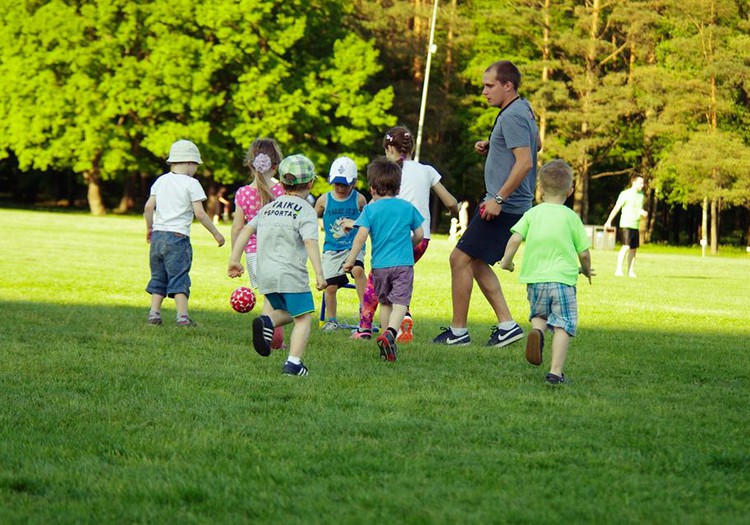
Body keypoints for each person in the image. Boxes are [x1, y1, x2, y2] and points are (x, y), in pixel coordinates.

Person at [433, 60, 540, 347]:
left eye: (489, 85)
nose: (484, 92)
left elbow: (526, 162)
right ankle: (507, 326)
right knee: (476, 261)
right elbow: (535, 145)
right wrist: (495, 145)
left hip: (505, 205)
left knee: (458, 258)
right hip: (510, 204)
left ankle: (458, 332)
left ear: (508, 85)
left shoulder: (512, 116)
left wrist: (498, 198)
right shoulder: (523, 109)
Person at [352, 126, 458, 343]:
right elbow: (451, 202)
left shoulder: (389, 175)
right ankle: (403, 315)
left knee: (376, 282)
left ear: (390, 148)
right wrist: (454, 213)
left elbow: (374, 206)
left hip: (393, 237)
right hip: (421, 239)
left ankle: (364, 329)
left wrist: (354, 224)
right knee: (400, 277)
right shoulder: (427, 170)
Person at [228, 154, 326, 376]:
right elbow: (310, 241)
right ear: (311, 183)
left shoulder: (269, 208)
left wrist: (234, 259)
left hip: (265, 275)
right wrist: (319, 273)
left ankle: (267, 320)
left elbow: (246, 229)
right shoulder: (306, 210)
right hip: (291, 274)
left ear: (281, 183)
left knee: (289, 312)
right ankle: (293, 364)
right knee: (303, 318)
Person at [499, 159, 594, 384]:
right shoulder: (571, 217)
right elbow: (584, 254)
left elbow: (515, 238)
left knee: (539, 315)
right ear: (570, 191)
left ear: (540, 189)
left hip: (535, 280)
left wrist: (506, 261)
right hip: (562, 280)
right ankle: (555, 372)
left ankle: (538, 333)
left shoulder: (533, 213)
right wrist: (586, 270)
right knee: (564, 324)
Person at [343, 157, 424, 362]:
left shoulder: (370, 210)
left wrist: (351, 261)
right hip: (403, 265)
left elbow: (360, 237)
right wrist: (410, 245)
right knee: (400, 304)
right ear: (398, 188)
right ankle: (390, 334)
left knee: (386, 303)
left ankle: (386, 342)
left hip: (379, 267)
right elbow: (420, 234)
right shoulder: (407, 207)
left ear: (372, 189)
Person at [144, 139, 226, 327]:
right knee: (179, 276)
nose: (196, 169)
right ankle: (182, 318)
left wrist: (150, 227)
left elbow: (149, 207)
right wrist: (216, 233)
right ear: (190, 162)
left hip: (158, 235)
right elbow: (199, 213)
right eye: (196, 165)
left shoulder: (161, 181)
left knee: (158, 276)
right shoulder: (192, 183)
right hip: (177, 238)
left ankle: (154, 315)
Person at [231, 138, 286, 348]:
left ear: (250, 164)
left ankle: (272, 337)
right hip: (277, 252)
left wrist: (234, 257)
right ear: (276, 165)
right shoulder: (282, 192)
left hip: (252, 254)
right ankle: (269, 336)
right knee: (273, 299)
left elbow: (237, 228)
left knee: (269, 295)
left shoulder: (243, 193)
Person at [314, 156, 368, 332]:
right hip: (332, 249)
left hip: (354, 245)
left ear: (354, 182)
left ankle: (364, 311)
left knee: (358, 269)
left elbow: (368, 219)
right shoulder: (324, 200)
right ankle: (332, 320)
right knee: (330, 287)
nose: (340, 188)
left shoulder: (359, 199)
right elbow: (311, 217)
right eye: (337, 184)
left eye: (345, 184)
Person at [604, 175, 647, 277]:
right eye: (640, 183)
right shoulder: (625, 194)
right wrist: (608, 221)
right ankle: (618, 269)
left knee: (633, 249)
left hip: (635, 224)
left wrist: (642, 212)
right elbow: (616, 208)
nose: (642, 185)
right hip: (626, 223)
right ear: (634, 182)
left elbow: (638, 208)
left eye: (643, 183)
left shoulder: (641, 195)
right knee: (626, 246)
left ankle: (630, 271)